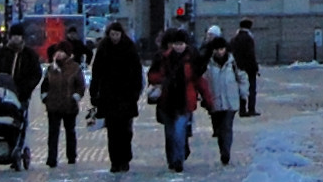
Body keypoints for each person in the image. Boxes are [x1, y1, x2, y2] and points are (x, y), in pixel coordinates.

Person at [89, 21, 143, 173]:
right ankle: (115, 161)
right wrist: (94, 93)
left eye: (117, 34)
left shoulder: (129, 48)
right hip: (108, 96)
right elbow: (96, 72)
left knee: (125, 130)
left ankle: (125, 158)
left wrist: (135, 93)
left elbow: (137, 72)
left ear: (121, 34)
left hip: (126, 96)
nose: (114, 37)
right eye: (112, 34)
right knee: (112, 131)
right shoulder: (103, 48)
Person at [148, 29, 198, 171]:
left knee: (179, 131)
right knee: (170, 133)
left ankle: (178, 160)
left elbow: (198, 79)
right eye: (175, 43)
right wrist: (162, 79)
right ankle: (173, 159)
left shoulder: (192, 58)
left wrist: (207, 99)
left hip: (184, 100)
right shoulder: (163, 58)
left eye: (180, 43)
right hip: (167, 101)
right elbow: (152, 75)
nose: (177, 47)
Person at [198, 35, 242, 166]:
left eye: (222, 49)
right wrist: (203, 97)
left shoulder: (233, 63)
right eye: (216, 49)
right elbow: (203, 81)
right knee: (218, 128)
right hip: (215, 101)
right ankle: (222, 148)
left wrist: (243, 94)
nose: (219, 52)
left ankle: (226, 153)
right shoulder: (208, 64)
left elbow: (241, 77)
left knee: (227, 127)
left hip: (230, 101)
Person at [40, 45, 87, 167]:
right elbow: (45, 85)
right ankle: (52, 158)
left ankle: (71, 156)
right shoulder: (51, 68)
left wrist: (75, 97)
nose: (59, 54)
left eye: (62, 52)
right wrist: (45, 97)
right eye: (57, 52)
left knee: (70, 131)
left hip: (69, 105)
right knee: (53, 132)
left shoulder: (74, 68)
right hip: (53, 105)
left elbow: (80, 85)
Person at [8, 31, 43, 113]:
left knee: (21, 114)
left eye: (18, 35)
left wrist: (28, 87)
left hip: (23, 93)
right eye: (14, 35)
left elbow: (36, 73)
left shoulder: (29, 54)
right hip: (4, 90)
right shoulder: (3, 53)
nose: (16, 38)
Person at [231, 19, 260, 117]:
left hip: (238, 66)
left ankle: (242, 109)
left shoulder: (235, 37)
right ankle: (251, 108)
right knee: (252, 88)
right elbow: (251, 54)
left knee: (241, 89)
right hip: (249, 67)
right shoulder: (248, 38)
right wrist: (255, 67)